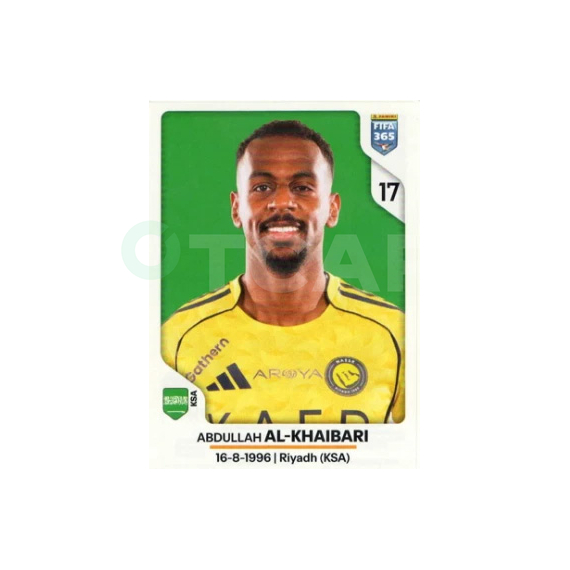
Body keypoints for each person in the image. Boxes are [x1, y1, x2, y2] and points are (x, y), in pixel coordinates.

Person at [161, 120, 404, 424]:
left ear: (332, 209)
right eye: (262, 188)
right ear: (236, 209)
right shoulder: (179, 339)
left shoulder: (394, 334)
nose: (282, 202)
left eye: (302, 188)